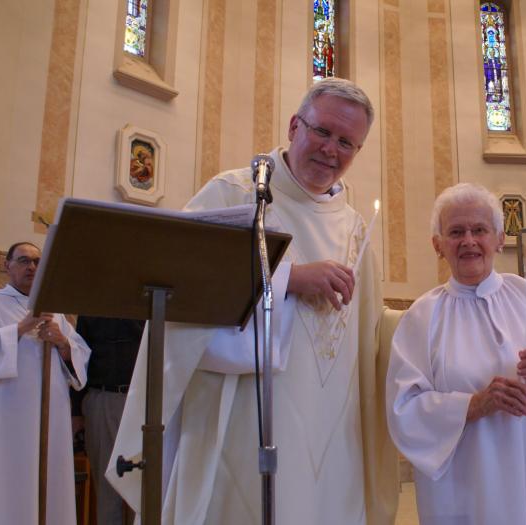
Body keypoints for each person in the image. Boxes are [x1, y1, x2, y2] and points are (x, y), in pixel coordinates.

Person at [107, 78, 397, 525]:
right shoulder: (235, 194)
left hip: (335, 429)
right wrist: (289, 279)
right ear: (293, 126)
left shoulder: (356, 227)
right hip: (243, 416)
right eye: (322, 132)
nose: (331, 150)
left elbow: (370, 332)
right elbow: (180, 285)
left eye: (347, 142)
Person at [385, 183, 526, 524]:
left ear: (499, 238)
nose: (469, 241)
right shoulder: (422, 317)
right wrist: (473, 405)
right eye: (456, 232)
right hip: (465, 485)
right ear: (438, 245)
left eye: (479, 230)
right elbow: (403, 409)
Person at [0, 241, 91, 524]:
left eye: (36, 261)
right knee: (3, 487)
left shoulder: (55, 313)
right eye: (23, 260)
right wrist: (22, 327)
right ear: (6, 265)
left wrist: (62, 343)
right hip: (3, 425)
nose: (31, 267)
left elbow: (80, 358)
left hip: (48, 424)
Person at [75, 316, 144, 525]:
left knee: (142, 489)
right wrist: (76, 411)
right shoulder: (92, 298)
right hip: (102, 396)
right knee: (106, 492)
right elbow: (80, 356)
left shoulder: (147, 292)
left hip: (142, 399)